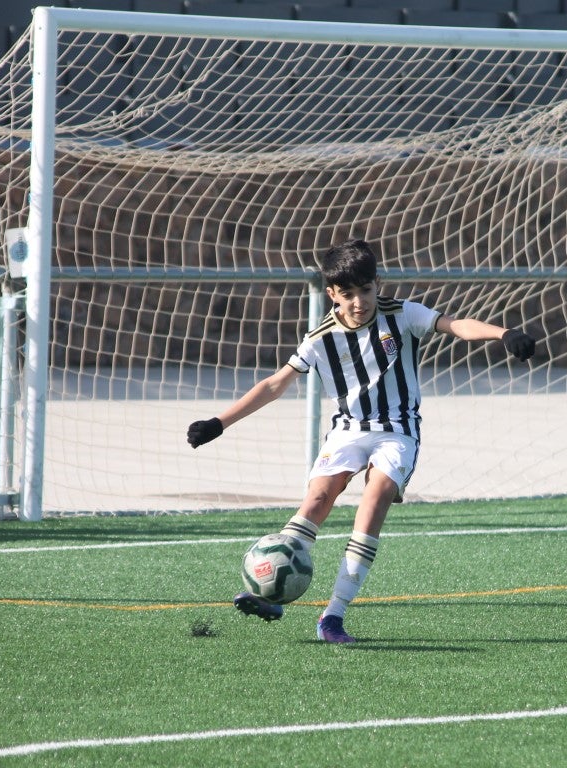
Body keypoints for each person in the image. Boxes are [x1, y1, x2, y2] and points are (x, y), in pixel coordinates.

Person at [186, 238, 537, 643]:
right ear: (332, 294)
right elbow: (274, 384)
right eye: (348, 294)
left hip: (398, 429)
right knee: (318, 498)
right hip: (348, 429)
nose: (359, 302)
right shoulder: (320, 337)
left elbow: (454, 325)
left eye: (366, 291)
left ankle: (332, 616)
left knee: (375, 498)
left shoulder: (403, 314)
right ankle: (274, 592)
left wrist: (503, 333)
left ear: (377, 284)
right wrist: (219, 422)